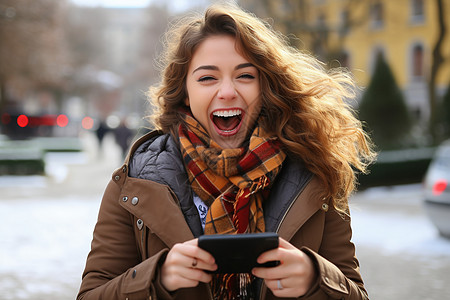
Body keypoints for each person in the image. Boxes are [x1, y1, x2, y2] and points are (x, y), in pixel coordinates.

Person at [77, 3, 376, 300]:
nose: (228, 91)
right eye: (207, 78)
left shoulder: (315, 174)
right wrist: (157, 277)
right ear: (184, 91)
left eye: (245, 76)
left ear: (265, 86)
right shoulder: (135, 183)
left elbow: (356, 293)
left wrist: (315, 277)